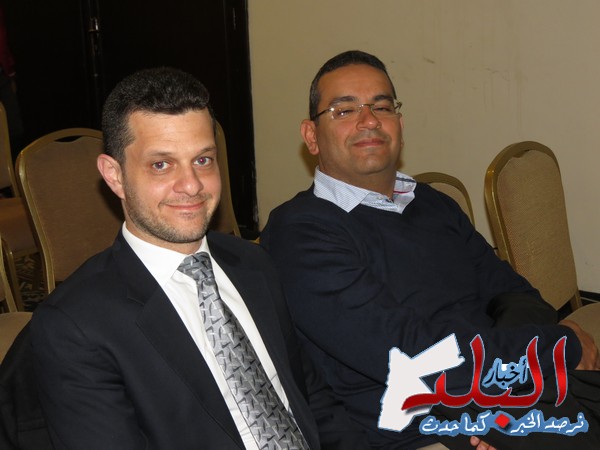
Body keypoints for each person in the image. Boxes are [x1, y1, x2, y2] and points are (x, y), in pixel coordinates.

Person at [260, 50, 600, 450]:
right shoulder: (300, 232)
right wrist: (551, 351)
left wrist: (501, 389)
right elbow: (411, 357)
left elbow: (514, 294)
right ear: (311, 136)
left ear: (399, 125)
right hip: (422, 429)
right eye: (344, 110)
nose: (369, 120)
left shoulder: (432, 203)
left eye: (382, 106)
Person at [30, 67, 368, 450]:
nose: (191, 185)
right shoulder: (76, 326)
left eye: (203, 160)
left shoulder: (253, 264)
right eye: (161, 165)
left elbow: (313, 400)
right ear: (114, 175)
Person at [0, 4, 24, 159]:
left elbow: (3, 40)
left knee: (14, 129)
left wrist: (10, 72)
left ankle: (12, 169)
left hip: (2, 75)